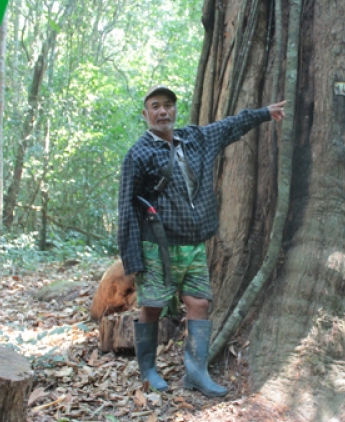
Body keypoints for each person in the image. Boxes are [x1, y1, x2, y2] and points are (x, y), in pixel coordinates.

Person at [118, 85, 286, 397]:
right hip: (157, 246)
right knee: (153, 306)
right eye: (156, 106)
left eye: (168, 105)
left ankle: (195, 373)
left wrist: (265, 114)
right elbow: (126, 207)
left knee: (199, 303)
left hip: (194, 244)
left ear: (175, 110)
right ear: (146, 114)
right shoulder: (138, 154)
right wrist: (132, 260)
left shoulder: (195, 138)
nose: (163, 111)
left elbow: (230, 126)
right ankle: (149, 369)